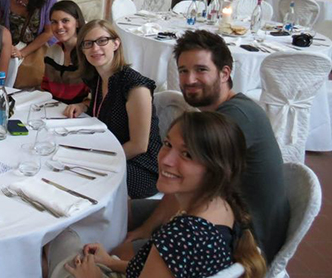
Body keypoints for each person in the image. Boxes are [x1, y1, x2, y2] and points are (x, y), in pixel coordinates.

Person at [122, 30, 289, 264]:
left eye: (201, 69)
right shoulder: (222, 113)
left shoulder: (233, 119)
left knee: (120, 249)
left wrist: (148, 230)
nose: (189, 80)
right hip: (211, 211)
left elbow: (183, 179)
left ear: (224, 73)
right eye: (183, 71)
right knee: (118, 212)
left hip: (242, 239)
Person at [50, 112, 266, 278]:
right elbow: (168, 270)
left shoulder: (182, 237)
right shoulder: (225, 205)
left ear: (216, 169)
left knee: (57, 235)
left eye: (187, 154)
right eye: (168, 144)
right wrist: (113, 262)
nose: (166, 160)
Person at [75, 20, 161, 198]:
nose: (95, 48)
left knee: (80, 180)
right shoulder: (98, 79)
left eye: (102, 41)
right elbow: (102, 110)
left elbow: (139, 146)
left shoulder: (135, 86)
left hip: (141, 166)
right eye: (88, 43)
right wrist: (83, 105)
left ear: (116, 43)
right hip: (108, 152)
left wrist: (97, 161)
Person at [0, 0, 57, 86]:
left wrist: (22, 53)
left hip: (38, 48)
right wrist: (9, 48)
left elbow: (49, 32)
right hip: (9, 48)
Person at [42, 0, 90, 114]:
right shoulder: (52, 51)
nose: (59, 27)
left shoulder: (88, 53)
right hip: (54, 111)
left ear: (77, 23)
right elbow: (45, 86)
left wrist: (82, 106)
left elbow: (97, 94)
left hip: (80, 114)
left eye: (65, 21)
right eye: (54, 22)